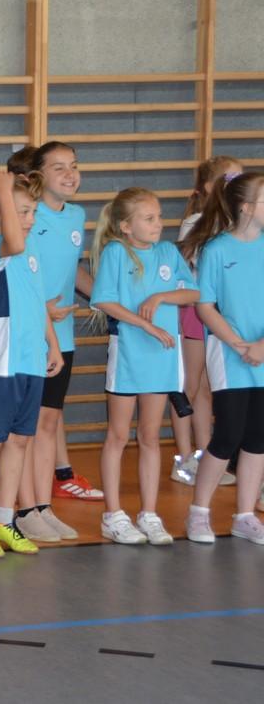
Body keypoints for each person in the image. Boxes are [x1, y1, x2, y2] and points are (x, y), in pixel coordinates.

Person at [89, 188, 197, 545]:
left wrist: (160, 296)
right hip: (129, 354)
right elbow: (104, 299)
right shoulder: (116, 252)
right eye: (149, 218)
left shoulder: (168, 252)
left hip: (162, 357)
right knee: (118, 435)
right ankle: (113, 515)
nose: (158, 223)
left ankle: (149, 513)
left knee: (150, 435)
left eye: (159, 216)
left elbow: (193, 292)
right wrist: (145, 324)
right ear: (126, 226)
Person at [0, 170, 63, 557]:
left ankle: (5, 521)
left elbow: (37, 300)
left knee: (20, 440)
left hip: (29, 359)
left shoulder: (28, 247)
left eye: (33, 212)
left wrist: (52, 344)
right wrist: (4, 190)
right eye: (23, 211)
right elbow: (13, 242)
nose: (31, 219)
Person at [4, 143, 97, 543]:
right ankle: (24, 509)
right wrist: (41, 309)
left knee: (48, 423)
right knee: (26, 427)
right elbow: (17, 274)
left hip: (63, 337)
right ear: (37, 176)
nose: (69, 174)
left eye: (73, 166)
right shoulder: (26, 215)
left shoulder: (76, 215)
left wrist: (107, 299)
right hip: (31, 334)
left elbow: (72, 270)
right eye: (58, 168)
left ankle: (43, 507)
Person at [182, 172, 264, 544]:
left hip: (261, 351)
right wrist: (240, 345)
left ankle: (244, 515)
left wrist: (260, 345)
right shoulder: (216, 249)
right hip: (229, 352)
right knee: (228, 433)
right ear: (245, 208)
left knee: (258, 436)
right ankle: (199, 512)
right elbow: (205, 306)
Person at [170, 155, 242, 487]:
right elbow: (194, 269)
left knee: (209, 391)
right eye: (232, 179)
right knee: (190, 385)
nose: (239, 185)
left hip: (222, 313)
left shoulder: (239, 223)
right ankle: (183, 459)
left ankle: (203, 454)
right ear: (212, 187)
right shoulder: (196, 222)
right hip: (196, 312)